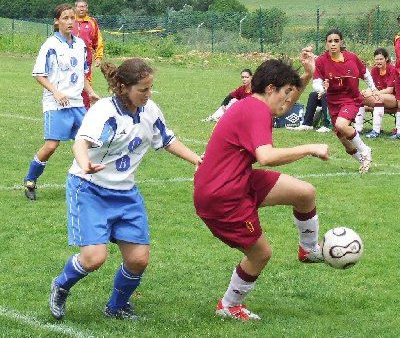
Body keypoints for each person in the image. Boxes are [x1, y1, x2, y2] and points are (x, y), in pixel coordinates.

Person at [49, 58, 202, 321]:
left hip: (125, 194)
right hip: (89, 189)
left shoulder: (150, 110)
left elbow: (167, 139)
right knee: (94, 258)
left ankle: (116, 307)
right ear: (123, 87)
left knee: (138, 259)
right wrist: (85, 162)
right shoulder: (103, 111)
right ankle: (61, 285)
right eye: (143, 89)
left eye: (150, 88)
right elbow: (81, 143)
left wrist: (197, 159)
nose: (148, 94)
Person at [194, 48, 329, 322]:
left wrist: (307, 75)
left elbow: (285, 106)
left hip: (236, 180)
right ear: (270, 88)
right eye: (285, 92)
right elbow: (265, 156)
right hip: (222, 195)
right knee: (261, 254)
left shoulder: (253, 103)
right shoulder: (255, 110)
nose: (288, 99)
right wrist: (310, 147)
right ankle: (229, 305)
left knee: (304, 192)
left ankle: (308, 249)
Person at [23, 3, 100, 201]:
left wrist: (90, 93)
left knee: (89, 143)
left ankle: (88, 183)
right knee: (51, 146)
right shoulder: (50, 45)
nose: (69, 22)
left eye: (72, 18)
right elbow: (39, 74)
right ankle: (30, 180)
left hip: (77, 103)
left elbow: (82, 75)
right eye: (65, 18)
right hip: (55, 104)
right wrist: (56, 92)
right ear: (56, 21)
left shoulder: (80, 45)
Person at [313, 28, 375, 174]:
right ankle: (362, 161)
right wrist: (322, 88)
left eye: (336, 41)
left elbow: (365, 73)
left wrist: (373, 89)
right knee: (342, 137)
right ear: (326, 44)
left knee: (342, 125)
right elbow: (316, 81)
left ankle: (365, 150)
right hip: (333, 102)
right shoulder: (321, 61)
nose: (333, 44)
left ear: (341, 42)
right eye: (330, 41)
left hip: (351, 99)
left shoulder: (352, 58)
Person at [353, 48, 397, 138]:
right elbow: (372, 87)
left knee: (378, 98)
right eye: (377, 59)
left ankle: (375, 131)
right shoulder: (374, 70)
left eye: (381, 59)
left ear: (386, 59)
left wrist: (375, 93)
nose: (379, 61)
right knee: (360, 96)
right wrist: (366, 91)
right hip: (379, 97)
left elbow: (389, 90)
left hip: (394, 99)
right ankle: (358, 129)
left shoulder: (392, 69)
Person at [73, 0, 104, 109]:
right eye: (79, 6)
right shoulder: (70, 21)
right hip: (69, 59)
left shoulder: (92, 22)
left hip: (86, 60)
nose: (82, 8)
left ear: (87, 8)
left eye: (84, 6)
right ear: (75, 8)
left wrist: (98, 57)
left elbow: (97, 40)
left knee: (85, 86)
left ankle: (86, 111)